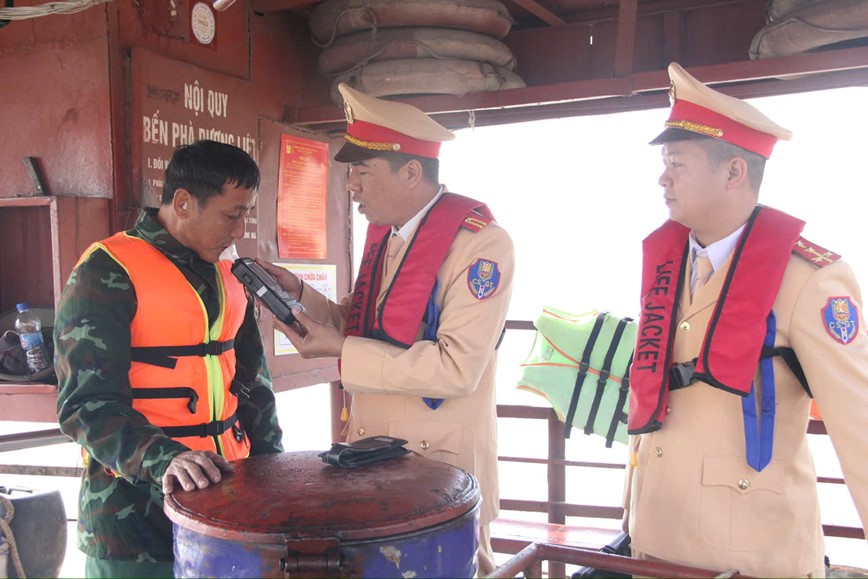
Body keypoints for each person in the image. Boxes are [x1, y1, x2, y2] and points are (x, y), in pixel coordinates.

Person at [258, 83, 514, 575]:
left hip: (442, 476)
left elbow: (458, 368)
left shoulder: (481, 247)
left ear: (411, 172)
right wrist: (300, 294)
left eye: (361, 170)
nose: (350, 184)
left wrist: (341, 353)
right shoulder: (389, 239)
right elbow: (359, 324)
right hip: (373, 464)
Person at [623, 62, 868, 577]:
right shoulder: (667, 263)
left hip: (752, 557)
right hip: (655, 543)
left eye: (677, 162)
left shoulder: (810, 279)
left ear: (734, 172)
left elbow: (861, 427)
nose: (661, 177)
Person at [54, 140, 285, 578]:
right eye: (231, 215)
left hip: (232, 512)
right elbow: (84, 407)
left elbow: (254, 386)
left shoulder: (229, 275)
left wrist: (274, 472)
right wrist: (167, 460)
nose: (238, 230)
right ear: (182, 202)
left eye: (245, 216)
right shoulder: (106, 269)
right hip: (134, 525)